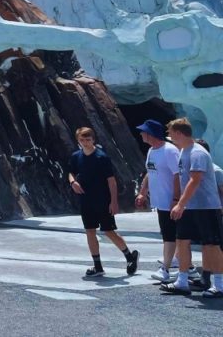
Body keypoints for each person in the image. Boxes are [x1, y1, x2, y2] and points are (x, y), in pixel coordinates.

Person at [67, 127, 139, 278]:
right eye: (82, 140)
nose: (85, 143)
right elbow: (71, 172)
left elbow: (111, 181)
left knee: (108, 231)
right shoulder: (76, 156)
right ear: (78, 141)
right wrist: (73, 182)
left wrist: (113, 202)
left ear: (93, 139)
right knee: (90, 231)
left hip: (102, 199)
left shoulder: (101, 157)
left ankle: (129, 256)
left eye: (88, 139)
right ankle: (98, 266)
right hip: (86, 200)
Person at [162, 120, 223, 297]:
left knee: (211, 244)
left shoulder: (198, 153)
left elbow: (195, 180)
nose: (171, 137)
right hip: (189, 206)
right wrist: (181, 203)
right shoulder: (184, 152)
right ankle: (182, 281)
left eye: (172, 134)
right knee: (182, 240)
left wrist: (180, 203)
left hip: (205, 206)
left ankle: (219, 284)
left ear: (180, 133)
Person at [134, 119, 180, 282]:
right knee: (170, 234)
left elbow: (177, 175)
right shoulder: (152, 151)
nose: (141, 134)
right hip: (161, 202)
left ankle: (165, 269)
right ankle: (185, 266)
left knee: (170, 235)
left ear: (151, 134)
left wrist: (176, 199)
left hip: (171, 202)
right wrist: (142, 192)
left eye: (143, 131)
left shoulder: (170, 151)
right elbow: (149, 171)